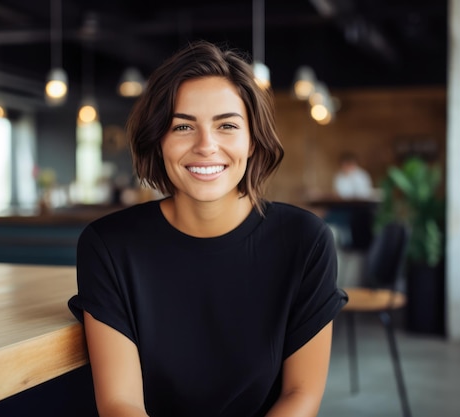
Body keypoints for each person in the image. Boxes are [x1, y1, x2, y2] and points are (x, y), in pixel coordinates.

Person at [68, 40, 348, 417]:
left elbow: (300, 395)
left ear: (252, 141)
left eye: (227, 126)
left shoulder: (305, 241)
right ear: (159, 140)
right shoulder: (109, 246)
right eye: (183, 126)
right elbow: (121, 403)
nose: (206, 146)